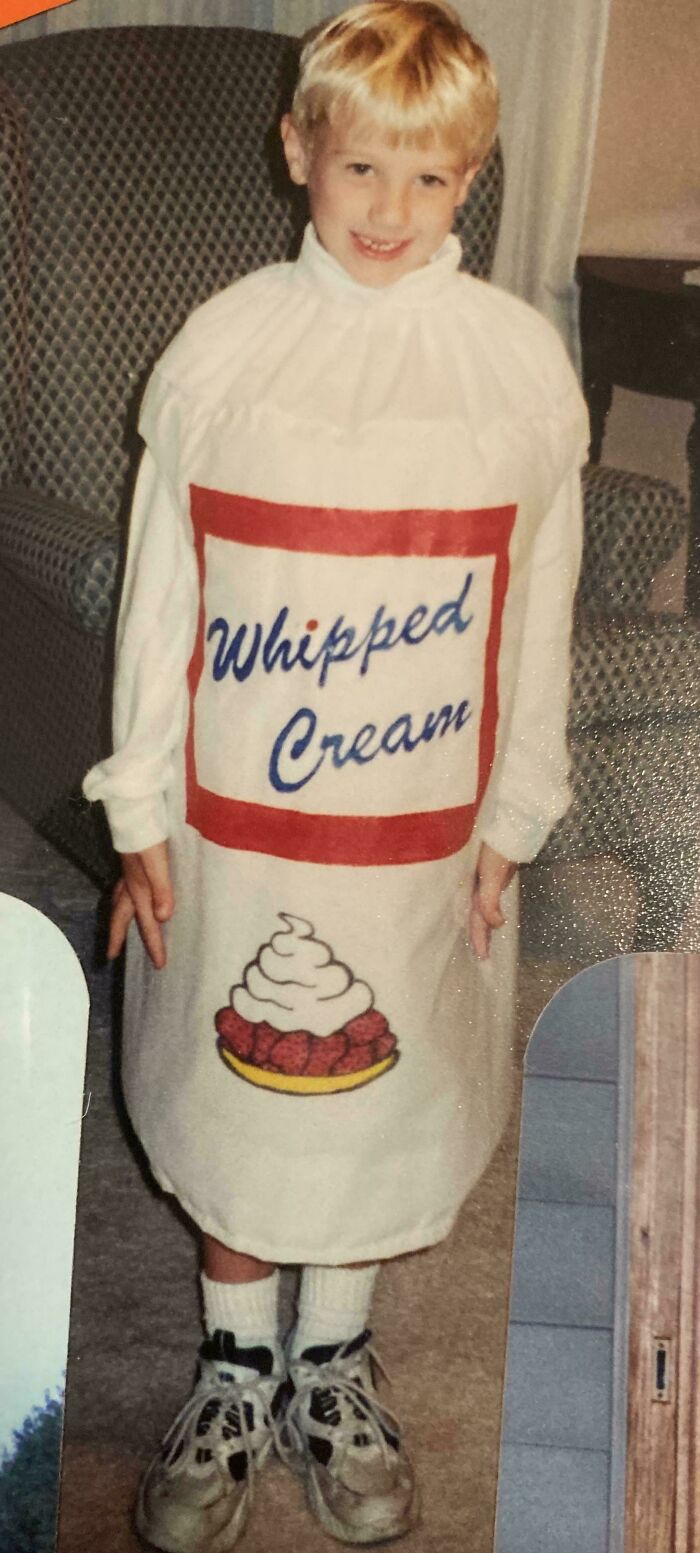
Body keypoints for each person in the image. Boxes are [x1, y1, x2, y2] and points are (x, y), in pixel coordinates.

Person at [83, 2, 589, 1547]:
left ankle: (334, 1355)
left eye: (429, 181)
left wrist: (514, 814)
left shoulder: (510, 368)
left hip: (417, 835)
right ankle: (236, 1357)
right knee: (238, 1089)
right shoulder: (229, 349)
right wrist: (139, 804)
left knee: (389, 1082)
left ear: (475, 179)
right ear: (297, 150)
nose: (388, 209)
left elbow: (537, 604)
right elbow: (163, 593)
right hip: (243, 829)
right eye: (359, 164)